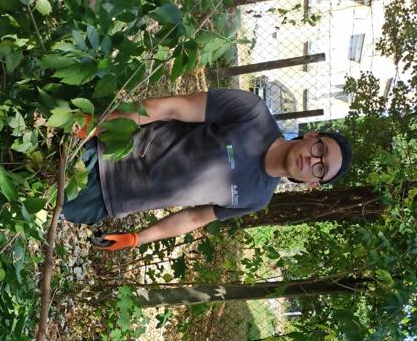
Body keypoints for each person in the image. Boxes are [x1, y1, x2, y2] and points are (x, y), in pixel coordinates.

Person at [61, 88, 353, 250]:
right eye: (320, 150)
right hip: (103, 152)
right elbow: (170, 107)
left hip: (109, 202)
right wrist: (100, 124)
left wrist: (137, 238)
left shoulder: (258, 198)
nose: (313, 161)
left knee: (41, 212)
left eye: (321, 169)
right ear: (312, 136)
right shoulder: (252, 112)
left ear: (313, 184)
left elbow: (195, 217)